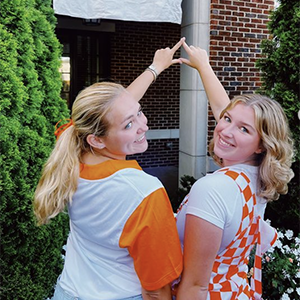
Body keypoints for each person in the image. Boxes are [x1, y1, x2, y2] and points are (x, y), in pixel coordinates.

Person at [33, 39, 186, 300]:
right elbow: (155, 288)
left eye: (139, 113)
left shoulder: (73, 155)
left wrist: (154, 68)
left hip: (68, 292)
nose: (143, 125)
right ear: (97, 139)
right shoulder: (143, 193)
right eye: (129, 124)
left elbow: (112, 111)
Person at [174, 42, 295, 299]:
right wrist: (204, 67)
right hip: (238, 290)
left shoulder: (214, 188)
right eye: (227, 120)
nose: (225, 131)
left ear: (262, 145)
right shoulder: (257, 177)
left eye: (244, 129)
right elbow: (228, 116)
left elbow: (195, 286)